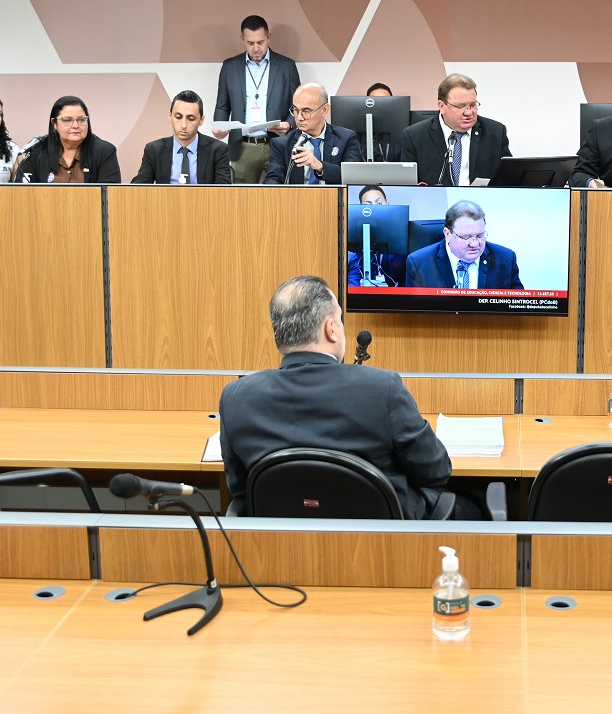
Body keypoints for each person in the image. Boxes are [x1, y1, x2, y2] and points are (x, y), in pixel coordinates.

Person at [217, 275, 453, 520]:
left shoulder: (235, 397)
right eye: (339, 320)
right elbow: (436, 471)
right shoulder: (383, 389)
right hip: (383, 546)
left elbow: (239, 488)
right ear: (331, 329)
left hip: (284, 547)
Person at [212, 15, 299, 183]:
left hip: (277, 144)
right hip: (243, 146)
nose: (256, 48)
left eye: (260, 42)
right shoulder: (230, 67)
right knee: (241, 202)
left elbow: (297, 106)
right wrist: (219, 125)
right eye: (250, 43)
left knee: (281, 199)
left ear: (268, 37)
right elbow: (222, 106)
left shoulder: (287, 66)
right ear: (242, 39)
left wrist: (289, 124)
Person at [401, 74, 511, 185]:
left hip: (482, 201)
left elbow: (509, 177)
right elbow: (407, 185)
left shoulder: (495, 133)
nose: (468, 112)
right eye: (461, 106)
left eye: (473, 105)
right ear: (442, 106)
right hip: (435, 200)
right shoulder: (415, 136)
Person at [404, 199, 523, 289]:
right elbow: (413, 309)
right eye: (466, 237)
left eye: (480, 236)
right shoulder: (419, 263)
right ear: (447, 234)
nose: (475, 244)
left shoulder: (506, 259)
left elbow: (519, 307)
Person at [264, 83, 363, 185]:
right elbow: (273, 179)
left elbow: (353, 177)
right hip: (297, 199)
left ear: (324, 110)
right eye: (296, 110)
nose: (299, 118)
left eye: (306, 111)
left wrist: (319, 165)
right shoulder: (281, 144)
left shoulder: (346, 138)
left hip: (334, 199)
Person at [130, 90, 232, 185]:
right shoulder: (154, 150)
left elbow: (222, 193)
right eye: (178, 117)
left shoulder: (219, 150)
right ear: (170, 116)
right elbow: (139, 188)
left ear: (201, 120)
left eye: (191, 119)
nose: (183, 125)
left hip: (204, 203)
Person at [14, 96, 120, 183]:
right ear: (54, 123)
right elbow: (24, 195)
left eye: (81, 120)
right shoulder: (37, 150)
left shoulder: (105, 151)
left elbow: (109, 196)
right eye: (68, 120)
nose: (75, 125)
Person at [348, 185, 407, 287]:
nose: (374, 207)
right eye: (368, 204)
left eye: (379, 203)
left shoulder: (401, 236)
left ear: (388, 204)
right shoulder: (353, 235)